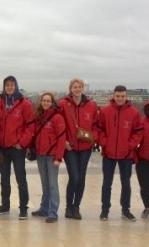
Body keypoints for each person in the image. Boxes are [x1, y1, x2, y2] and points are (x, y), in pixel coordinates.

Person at [98, 85, 143, 221]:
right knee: (107, 183)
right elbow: (98, 129)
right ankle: (105, 210)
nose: (120, 98)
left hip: (126, 154)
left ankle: (126, 209)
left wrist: (129, 145)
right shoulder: (105, 111)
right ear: (113, 96)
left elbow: (138, 131)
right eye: (117, 96)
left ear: (126, 96)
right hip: (108, 153)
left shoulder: (134, 113)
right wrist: (104, 143)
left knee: (126, 183)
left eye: (123, 96)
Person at [0, 76, 35, 220]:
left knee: (20, 178)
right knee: (4, 179)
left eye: (12, 85)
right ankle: (5, 205)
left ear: (16, 86)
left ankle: (23, 207)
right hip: (3, 147)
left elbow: (30, 126)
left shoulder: (25, 104)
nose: (10, 87)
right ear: (4, 87)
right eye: (7, 85)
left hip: (17, 148)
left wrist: (22, 143)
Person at [57, 78, 98, 220]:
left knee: (81, 178)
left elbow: (96, 125)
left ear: (83, 88)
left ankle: (76, 207)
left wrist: (94, 138)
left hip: (86, 147)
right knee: (74, 177)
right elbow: (58, 124)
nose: (77, 89)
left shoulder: (91, 105)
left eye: (79, 87)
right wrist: (63, 141)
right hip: (70, 147)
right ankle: (68, 206)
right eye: (74, 87)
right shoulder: (63, 104)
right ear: (70, 89)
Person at [30, 93, 66, 223]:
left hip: (51, 156)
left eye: (48, 101)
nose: (45, 103)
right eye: (44, 100)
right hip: (40, 155)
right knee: (45, 185)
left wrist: (59, 158)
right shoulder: (38, 116)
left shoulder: (57, 118)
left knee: (52, 185)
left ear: (52, 102)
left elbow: (62, 138)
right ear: (41, 102)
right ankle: (44, 208)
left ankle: (53, 212)